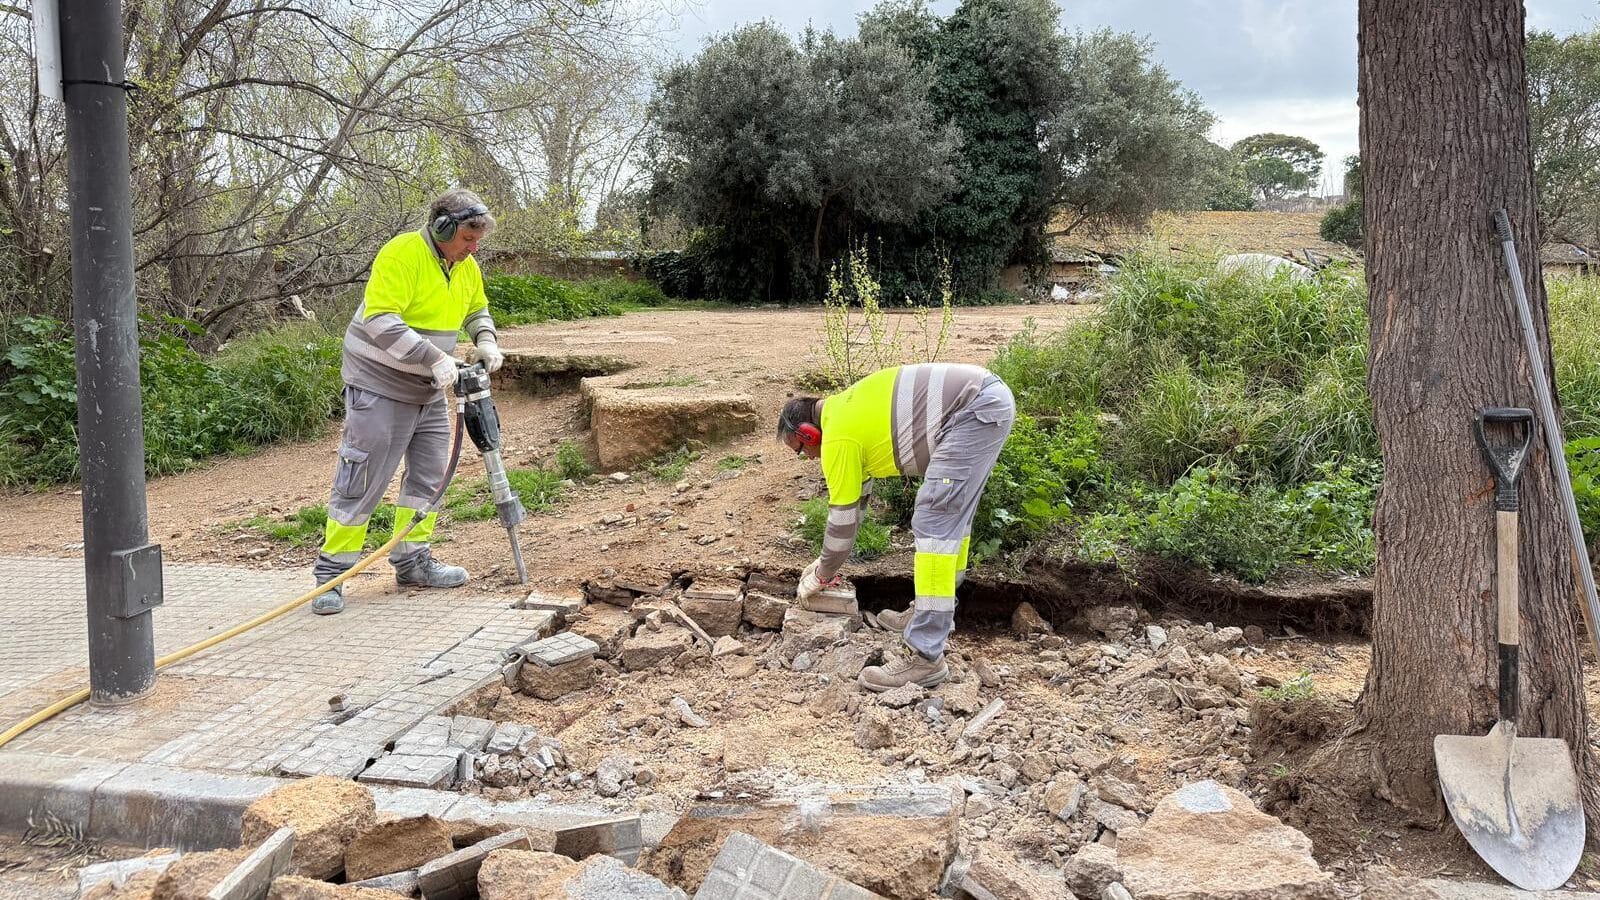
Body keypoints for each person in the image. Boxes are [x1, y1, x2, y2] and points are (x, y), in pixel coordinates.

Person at [309, 189, 505, 615]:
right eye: (468, 238)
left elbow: (476, 310)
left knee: (431, 475)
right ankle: (332, 576)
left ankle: (413, 563)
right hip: (379, 385)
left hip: (429, 388)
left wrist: (486, 341)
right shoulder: (401, 254)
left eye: (477, 240)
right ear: (443, 227)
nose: (474, 248)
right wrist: (433, 356)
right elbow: (381, 318)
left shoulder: (464, 265)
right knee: (361, 477)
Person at [779, 362, 1015, 690]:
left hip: (974, 408)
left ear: (809, 433)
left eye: (801, 448)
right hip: (984, 402)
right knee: (951, 520)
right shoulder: (845, 415)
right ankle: (926, 614)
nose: (806, 457)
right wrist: (826, 565)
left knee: (935, 521)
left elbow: (842, 519)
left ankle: (925, 657)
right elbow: (857, 508)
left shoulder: (837, 437)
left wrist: (821, 575)